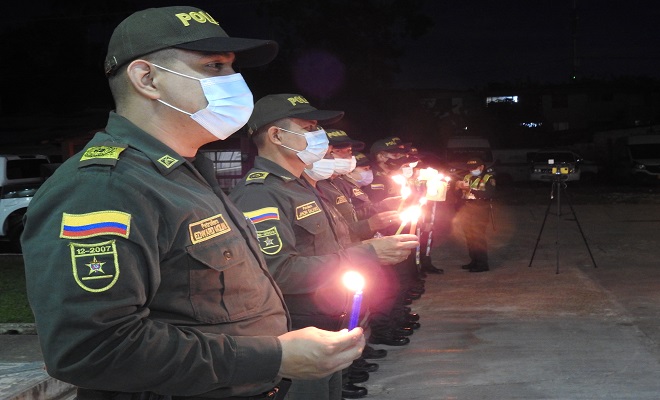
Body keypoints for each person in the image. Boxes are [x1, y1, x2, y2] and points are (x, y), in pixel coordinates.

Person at [20, 6, 364, 400]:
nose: (235, 82)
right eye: (215, 66)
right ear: (147, 79)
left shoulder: (187, 175)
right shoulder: (104, 186)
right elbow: (93, 350)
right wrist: (272, 357)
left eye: (233, 68)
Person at [229, 93, 419, 400]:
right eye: (309, 127)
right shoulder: (261, 194)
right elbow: (276, 270)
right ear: (277, 136)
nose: (321, 137)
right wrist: (367, 253)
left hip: (332, 324)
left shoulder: (304, 187)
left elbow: (334, 245)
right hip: (299, 332)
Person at [455, 157, 496, 272]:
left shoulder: (488, 178)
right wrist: (457, 187)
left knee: (478, 237)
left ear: (481, 167)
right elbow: (459, 194)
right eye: (470, 168)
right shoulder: (467, 177)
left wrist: (470, 189)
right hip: (467, 209)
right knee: (469, 237)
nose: (471, 170)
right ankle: (474, 261)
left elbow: (489, 194)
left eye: (474, 168)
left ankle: (482, 264)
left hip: (480, 210)